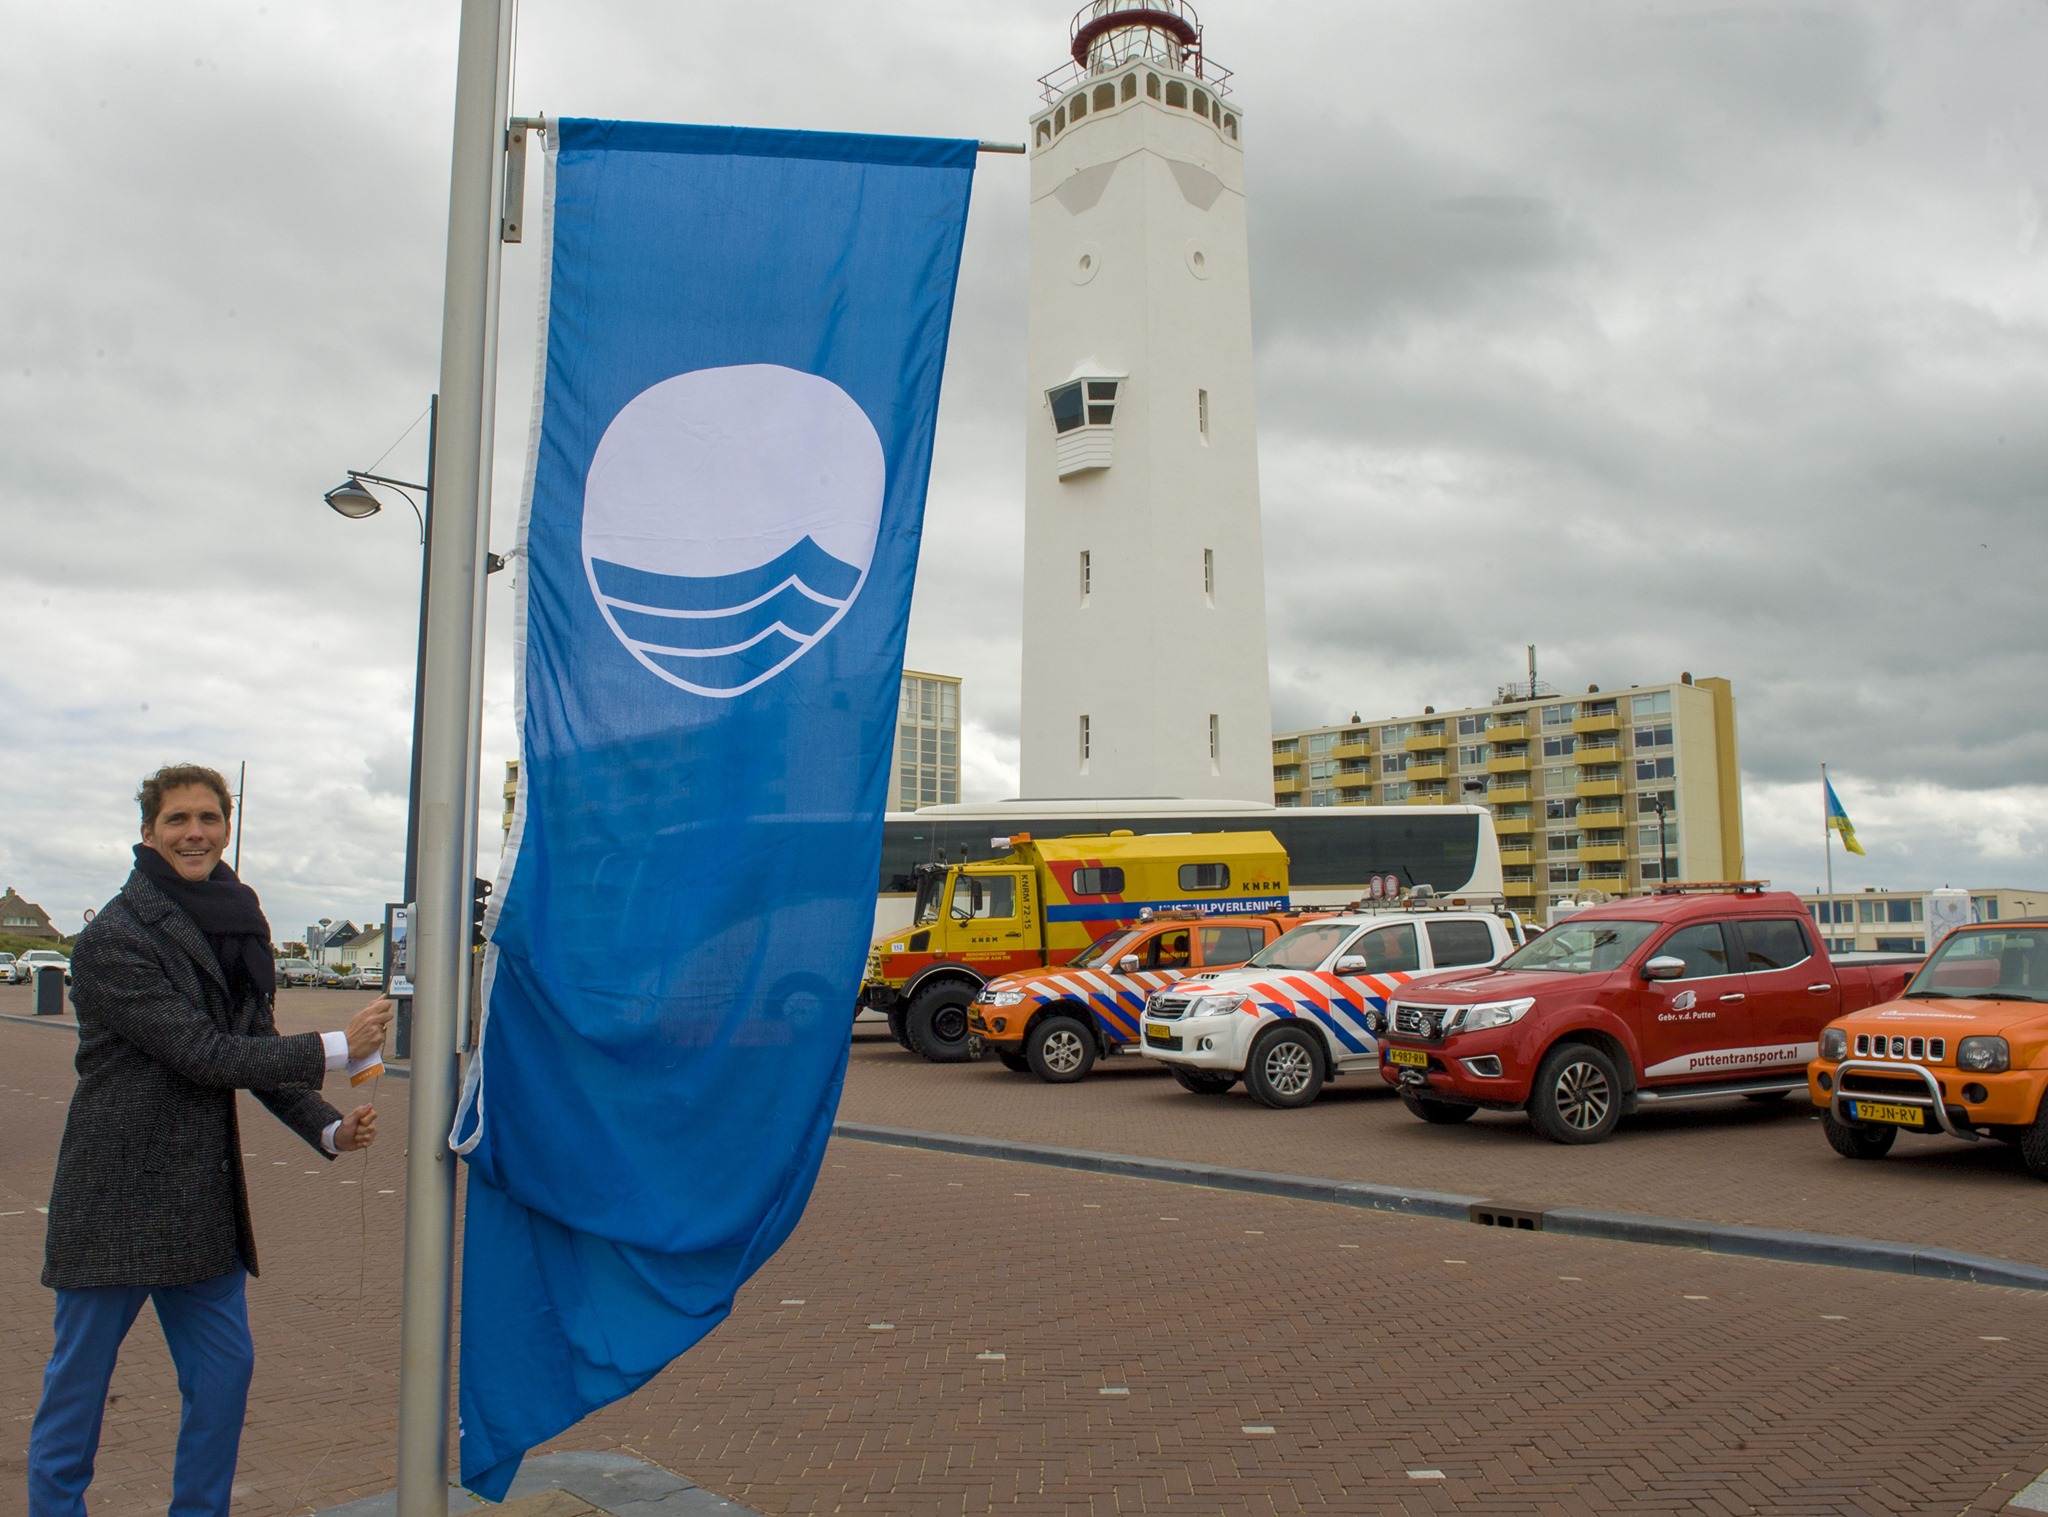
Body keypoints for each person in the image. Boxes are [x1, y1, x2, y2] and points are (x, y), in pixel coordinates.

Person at [27, 764, 395, 1517]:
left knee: (224, 1381)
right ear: (148, 833)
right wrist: (336, 1043)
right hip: (113, 1203)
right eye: (176, 819)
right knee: (77, 1397)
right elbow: (204, 1053)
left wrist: (328, 1124)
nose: (194, 831)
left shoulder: (238, 921)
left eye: (207, 817)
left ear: (226, 826)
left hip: (199, 1208)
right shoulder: (111, 940)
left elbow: (251, 1042)